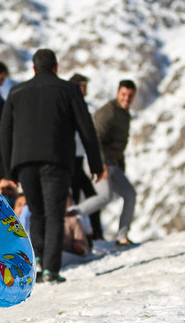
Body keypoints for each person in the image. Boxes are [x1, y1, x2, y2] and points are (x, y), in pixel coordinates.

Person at [0, 49, 105, 283]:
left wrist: (9, 172)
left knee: (36, 212)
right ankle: (51, 271)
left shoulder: (16, 92)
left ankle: (37, 263)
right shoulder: (69, 90)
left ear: (34, 69)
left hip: (24, 162)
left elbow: (5, 133)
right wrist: (96, 164)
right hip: (56, 161)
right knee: (55, 214)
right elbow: (86, 129)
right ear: (56, 67)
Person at [72, 80, 137, 247]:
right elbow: (95, 138)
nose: (126, 98)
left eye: (130, 96)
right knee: (104, 196)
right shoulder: (108, 112)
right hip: (97, 162)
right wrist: (100, 165)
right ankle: (72, 214)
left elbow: (120, 144)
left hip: (113, 164)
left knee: (130, 194)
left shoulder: (125, 114)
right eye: (123, 94)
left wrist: (120, 165)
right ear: (117, 93)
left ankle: (122, 237)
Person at [68, 73, 104, 240]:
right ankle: (78, 234)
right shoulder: (69, 104)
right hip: (71, 155)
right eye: (83, 86)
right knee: (76, 195)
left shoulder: (82, 104)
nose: (85, 90)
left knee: (88, 194)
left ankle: (94, 232)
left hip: (79, 155)